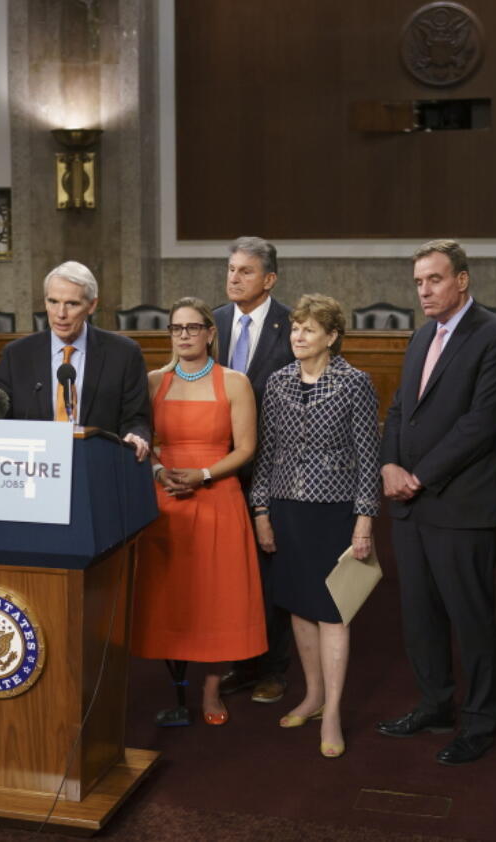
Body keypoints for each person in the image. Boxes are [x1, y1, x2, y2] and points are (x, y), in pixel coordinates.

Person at [375, 240, 496, 766]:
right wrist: (388, 464)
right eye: (418, 282)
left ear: (461, 280)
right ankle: (435, 704)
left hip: (460, 506)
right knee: (420, 616)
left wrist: (418, 475)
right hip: (411, 506)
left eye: (434, 279)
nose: (424, 290)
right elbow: (398, 410)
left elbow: (480, 425)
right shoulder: (421, 336)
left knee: (471, 618)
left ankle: (480, 722)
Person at [250, 294, 380, 758]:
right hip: (286, 509)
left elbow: (369, 458)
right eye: (294, 329)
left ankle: (334, 712)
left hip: (335, 511)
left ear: (331, 336)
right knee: (299, 608)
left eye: (308, 329)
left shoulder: (355, 383)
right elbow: (265, 454)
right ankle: (313, 695)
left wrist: (364, 521)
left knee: (332, 611)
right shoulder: (277, 382)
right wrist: (261, 512)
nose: (298, 336)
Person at [131, 297, 266, 727]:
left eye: (193, 328)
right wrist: (156, 470)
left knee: (215, 597)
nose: (184, 335)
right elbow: (141, 437)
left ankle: (210, 689)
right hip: (165, 499)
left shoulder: (235, 382)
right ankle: (175, 686)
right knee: (173, 595)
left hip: (217, 497)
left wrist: (203, 474)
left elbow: (246, 448)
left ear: (210, 332)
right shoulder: (153, 381)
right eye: (176, 328)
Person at [214, 236, 296, 705]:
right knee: (231, 571)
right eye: (230, 269)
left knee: (271, 569)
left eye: (245, 271)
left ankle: (273, 669)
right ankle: (240, 663)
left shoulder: (292, 326)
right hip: (222, 467)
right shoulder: (215, 323)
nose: (233, 278)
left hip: (276, 469)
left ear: (268, 279)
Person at [0, 261, 151, 459]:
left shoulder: (124, 354)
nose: (61, 314)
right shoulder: (16, 355)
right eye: (53, 302)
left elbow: (137, 418)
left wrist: (136, 436)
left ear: (92, 305)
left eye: (72, 304)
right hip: (36, 468)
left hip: (99, 466)